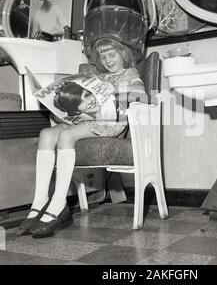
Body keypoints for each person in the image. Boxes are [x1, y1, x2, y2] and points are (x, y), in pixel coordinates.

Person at [18, 38, 146, 239]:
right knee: (46, 134)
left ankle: (59, 204)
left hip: (112, 123)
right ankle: (39, 201)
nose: (107, 61)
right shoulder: (98, 76)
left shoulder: (129, 73)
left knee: (67, 135)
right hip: (84, 120)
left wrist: (117, 90)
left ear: (123, 54)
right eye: (103, 57)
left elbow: (141, 95)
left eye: (112, 55)